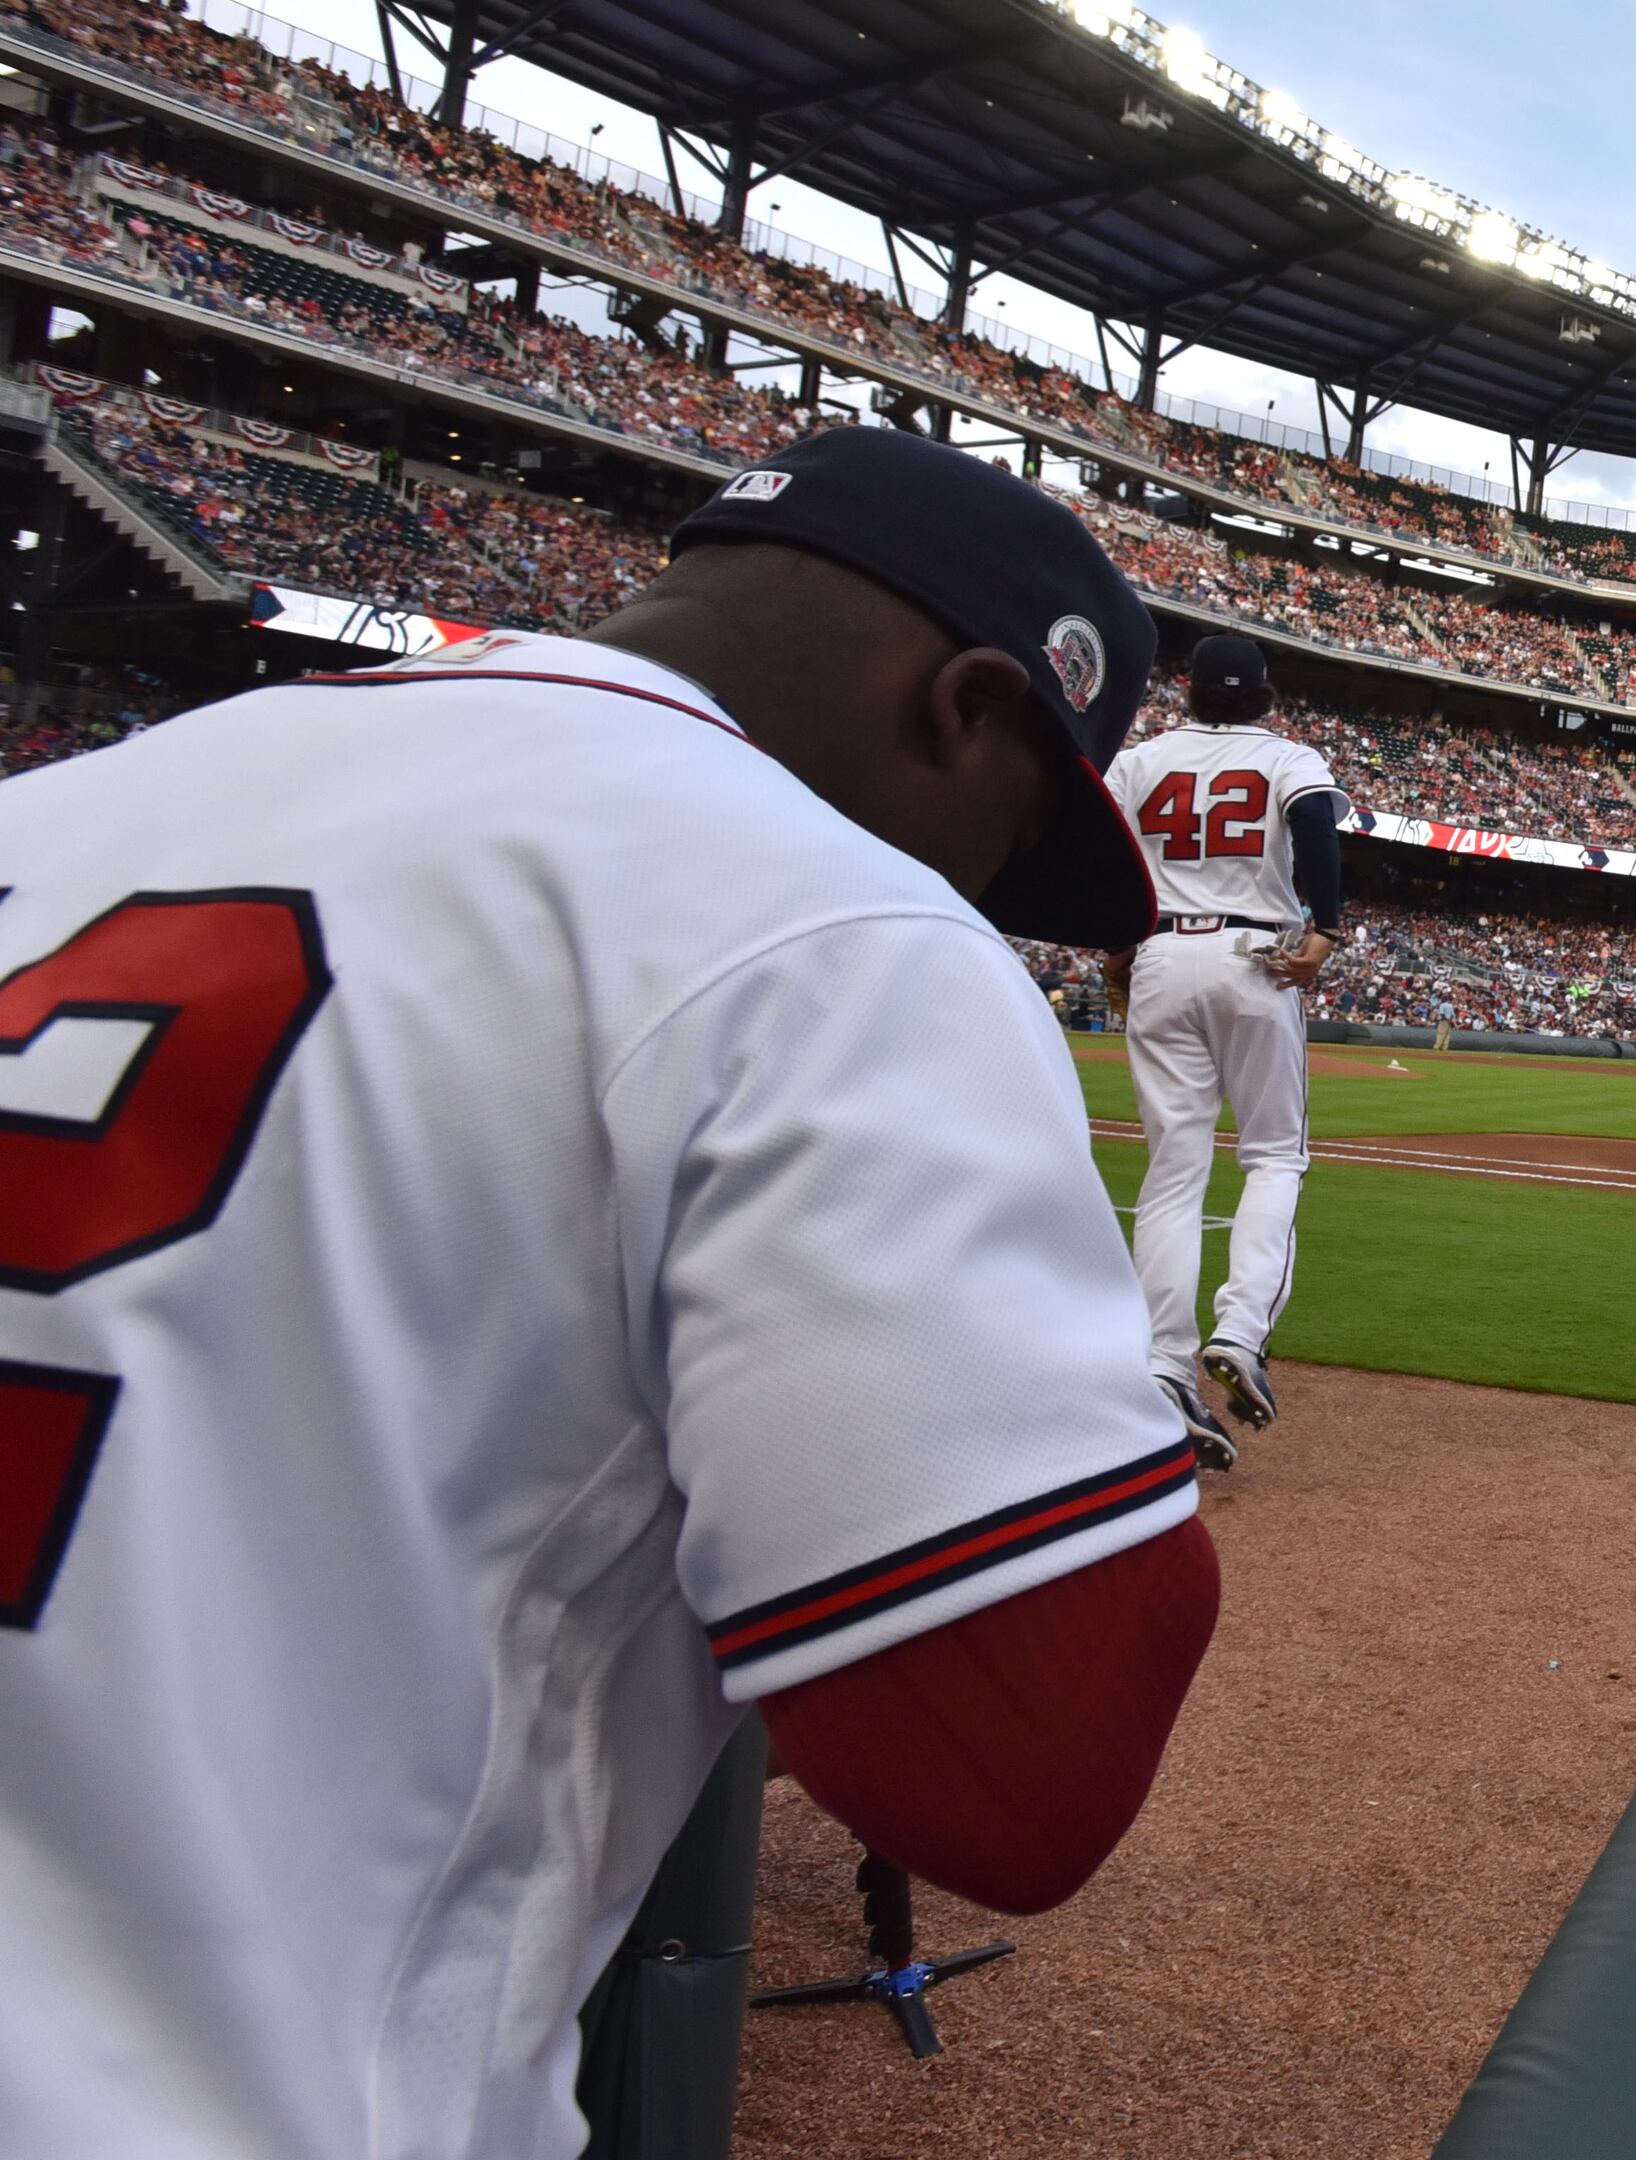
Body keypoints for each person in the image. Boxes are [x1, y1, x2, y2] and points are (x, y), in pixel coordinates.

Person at [0, 426, 1222, 2159]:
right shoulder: (833, 924)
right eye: (1008, 840)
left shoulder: (73, 799)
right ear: (965, 706)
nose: (979, 901)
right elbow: (1023, 1773)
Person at [1098, 635, 1346, 1464]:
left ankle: (1165, 1361)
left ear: (1191, 692)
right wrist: (1328, 928)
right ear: (1264, 695)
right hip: (1256, 959)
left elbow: (1100, 851)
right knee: (1274, 1156)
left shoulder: (1141, 759)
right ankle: (1239, 1335)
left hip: (1162, 951)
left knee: (1173, 1170)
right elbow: (1316, 823)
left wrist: (1117, 949)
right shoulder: (1286, 756)